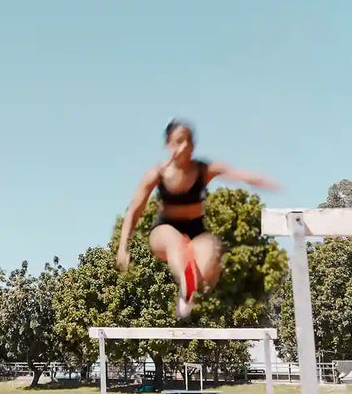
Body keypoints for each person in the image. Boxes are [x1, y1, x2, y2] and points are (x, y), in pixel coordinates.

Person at [116, 119, 280, 320]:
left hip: (196, 231)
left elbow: (236, 174)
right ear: (169, 145)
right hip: (164, 229)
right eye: (179, 141)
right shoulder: (157, 174)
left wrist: (266, 182)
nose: (185, 146)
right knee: (175, 242)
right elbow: (134, 210)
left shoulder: (203, 169)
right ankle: (186, 284)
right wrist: (123, 246)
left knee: (212, 249)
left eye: (189, 142)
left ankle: (191, 289)